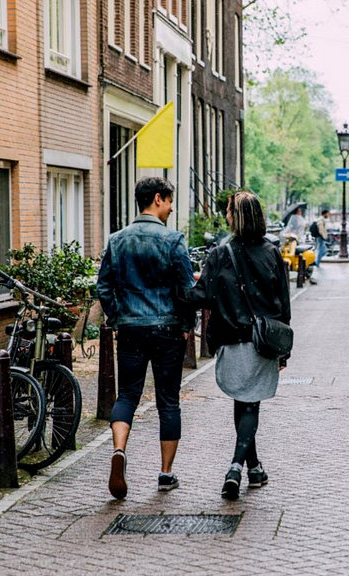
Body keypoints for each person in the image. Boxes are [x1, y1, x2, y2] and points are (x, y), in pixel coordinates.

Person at [184, 191, 291, 500]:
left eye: (229, 211)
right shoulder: (272, 253)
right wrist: (284, 349)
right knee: (250, 402)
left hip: (231, 340)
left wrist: (174, 287)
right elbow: (283, 304)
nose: (226, 216)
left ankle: (251, 468)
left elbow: (202, 296)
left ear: (236, 216)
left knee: (243, 400)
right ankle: (238, 467)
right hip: (263, 340)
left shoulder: (220, 254)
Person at [96, 177, 195, 499]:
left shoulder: (117, 240)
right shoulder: (173, 240)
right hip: (167, 330)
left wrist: (117, 316)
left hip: (131, 329)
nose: (170, 209)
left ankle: (119, 450)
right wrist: (186, 322)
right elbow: (185, 289)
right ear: (157, 199)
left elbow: (104, 287)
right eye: (168, 202)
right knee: (168, 401)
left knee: (127, 395)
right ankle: (166, 473)